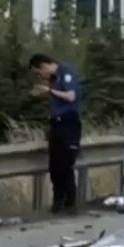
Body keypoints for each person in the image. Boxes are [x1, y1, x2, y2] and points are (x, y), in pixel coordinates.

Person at [30, 53, 82, 213]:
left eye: (39, 72)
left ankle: (70, 203)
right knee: (55, 166)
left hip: (68, 124)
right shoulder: (54, 79)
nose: (40, 76)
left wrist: (50, 91)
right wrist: (45, 93)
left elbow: (71, 96)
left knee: (66, 165)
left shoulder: (65, 72)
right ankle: (57, 202)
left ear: (44, 66)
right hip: (56, 125)